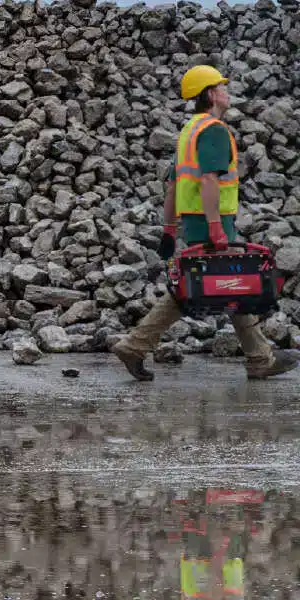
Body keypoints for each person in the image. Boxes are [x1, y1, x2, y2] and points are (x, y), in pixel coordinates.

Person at [109, 65, 299, 381]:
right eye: (222, 86)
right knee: (234, 282)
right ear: (211, 94)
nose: (227, 91)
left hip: (193, 221)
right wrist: (215, 227)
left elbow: (172, 185)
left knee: (200, 288)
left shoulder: (189, 131)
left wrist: (170, 229)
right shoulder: (213, 130)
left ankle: (135, 345)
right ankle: (259, 359)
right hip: (214, 221)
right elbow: (210, 179)